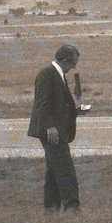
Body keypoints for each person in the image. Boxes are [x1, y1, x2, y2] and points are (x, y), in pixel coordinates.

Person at [28, 44, 84, 211]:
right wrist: (50, 127)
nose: (74, 66)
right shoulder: (46, 74)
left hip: (57, 130)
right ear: (64, 60)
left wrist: (76, 111)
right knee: (65, 169)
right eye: (73, 62)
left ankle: (51, 208)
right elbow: (42, 104)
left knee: (53, 170)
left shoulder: (58, 75)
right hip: (52, 132)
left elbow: (59, 105)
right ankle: (72, 206)